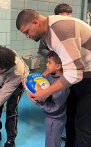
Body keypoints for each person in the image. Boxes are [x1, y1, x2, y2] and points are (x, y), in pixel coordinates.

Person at [16, 9, 91, 147]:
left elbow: (75, 73)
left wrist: (45, 92)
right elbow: (60, 64)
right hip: (82, 72)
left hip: (88, 75)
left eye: (27, 31)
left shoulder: (59, 30)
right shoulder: (50, 31)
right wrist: (34, 79)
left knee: (82, 125)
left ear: (35, 22)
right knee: (71, 117)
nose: (26, 36)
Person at [29, 51, 69, 147]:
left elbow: (54, 107)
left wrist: (38, 102)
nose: (46, 65)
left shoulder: (61, 86)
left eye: (49, 63)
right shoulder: (50, 75)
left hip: (55, 120)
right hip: (50, 117)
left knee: (52, 143)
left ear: (58, 66)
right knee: (50, 140)